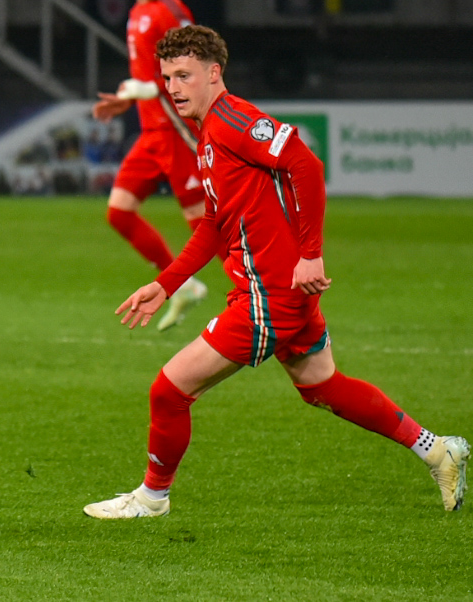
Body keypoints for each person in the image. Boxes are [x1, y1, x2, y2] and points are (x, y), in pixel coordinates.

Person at [84, 25, 469, 519]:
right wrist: (165, 283)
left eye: (184, 75)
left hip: (270, 294)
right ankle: (438, 450)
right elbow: (214, 223)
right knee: (322, 386)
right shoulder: (208, 132)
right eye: (167, 78)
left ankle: (151, 499)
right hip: (277, 289)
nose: (174, 88)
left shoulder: (233, 120)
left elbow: (306, 165)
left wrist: (311, 253)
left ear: (214, 73)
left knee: (170, 390)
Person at [92, 0, 208, 332]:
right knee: (119, 212)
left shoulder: (170, 11)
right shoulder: (137, 11)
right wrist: (129, 98)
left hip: (176, 130)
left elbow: (193, 68)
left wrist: (153, 88)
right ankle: (185, 286)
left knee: (204, 223)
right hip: (151, 132)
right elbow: (147, 75)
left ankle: (260, 293)